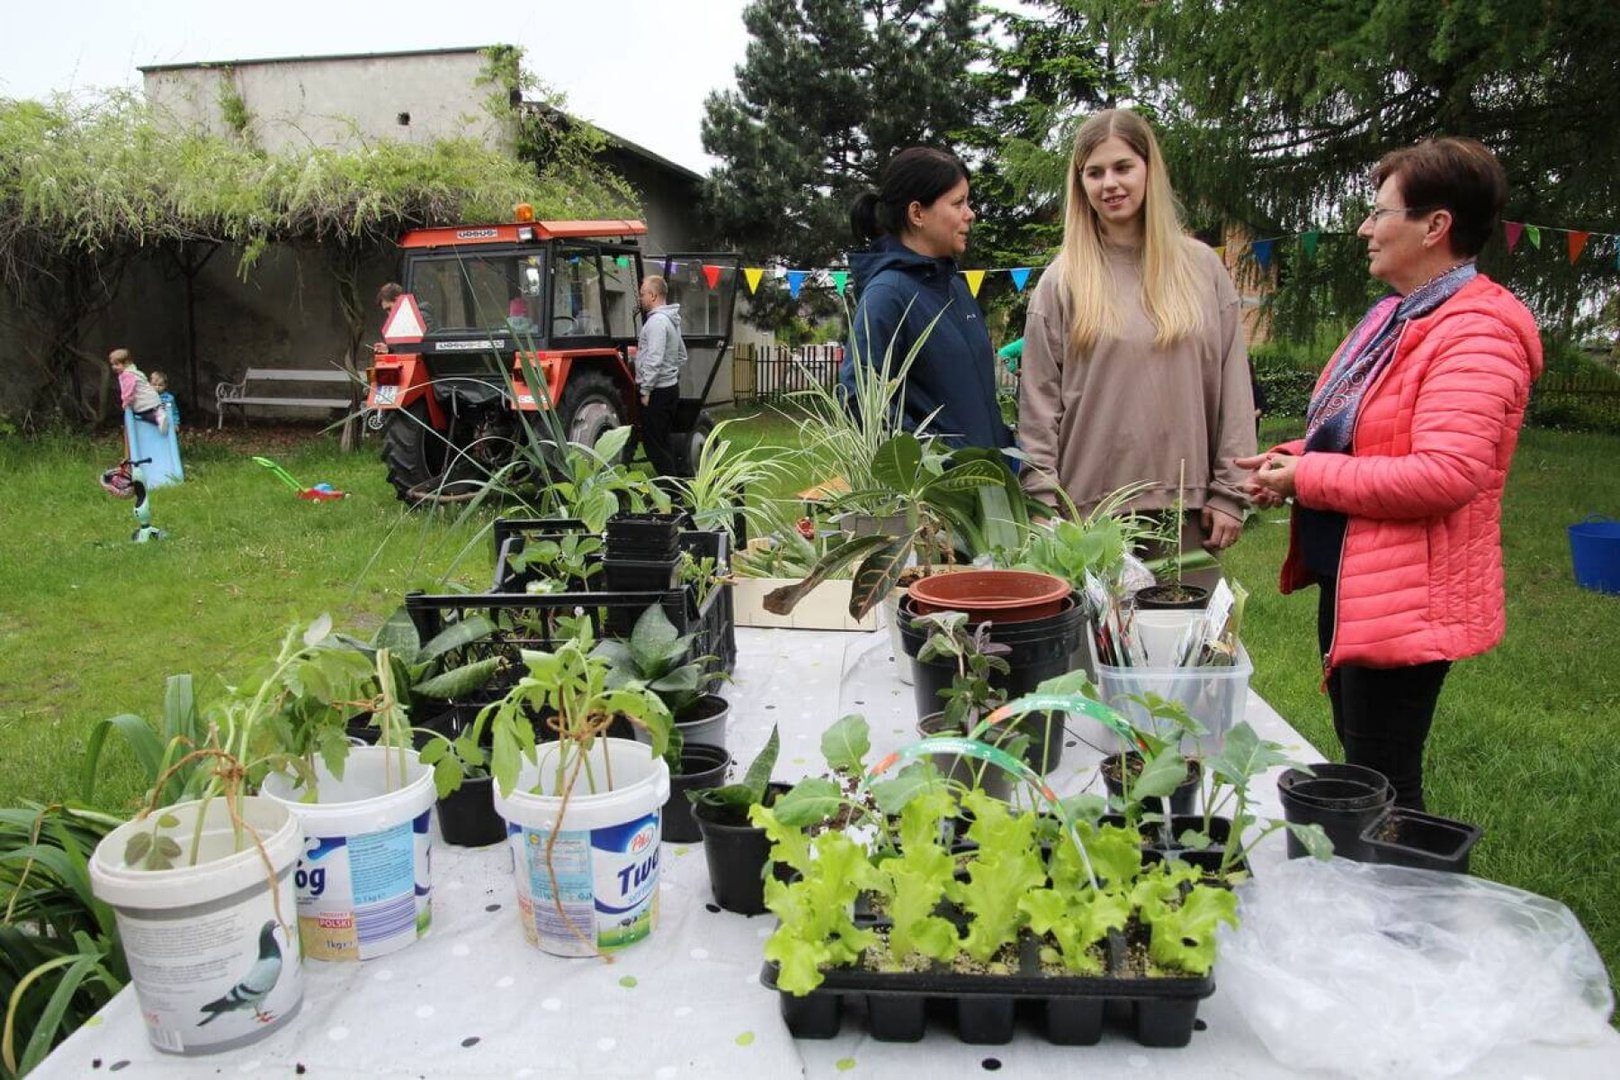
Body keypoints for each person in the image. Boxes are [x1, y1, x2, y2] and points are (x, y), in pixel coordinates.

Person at [1239, 137, 1542, 810]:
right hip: (1361, 579)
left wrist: (1305, 477)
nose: (1364, 229)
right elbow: (1366, 431)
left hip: (1410, 591)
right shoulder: (1400, 316)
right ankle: (1385, 902)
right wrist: (1290, 458)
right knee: (1366, 765)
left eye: (1380, 213)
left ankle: (1411, 911)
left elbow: (1443, 474)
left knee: (1386, 780)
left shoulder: (1477, 332)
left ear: (1435, 227)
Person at [1017, 109, 1255, 567]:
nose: (1110, 183)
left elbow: (1234, 390)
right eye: (1095, 172)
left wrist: (1230, 492)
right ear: (1080, 183)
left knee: (1189, 640)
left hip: (1186, 512)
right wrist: (1042, 500)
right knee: (1094, 641)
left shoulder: (1202, 270)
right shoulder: (1061, 281)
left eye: (1123, 167)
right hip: (1087, 519)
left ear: (1149, 169)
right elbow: (1038, 405)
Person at [842, 147, 1012, 452]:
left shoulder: (954, 288)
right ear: (917, 213)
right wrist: (938, 462)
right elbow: (859, 399)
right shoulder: (887, 295)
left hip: (985, 489)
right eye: (958, 203)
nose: (970, 214)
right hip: (937, 495)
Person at [635, 274, 687, 477]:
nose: (640, 298)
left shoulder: (656, 322)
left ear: (653, 295)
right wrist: (671, 373)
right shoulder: (671, 320)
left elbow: (654, 358)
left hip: (657, 391)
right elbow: (681, 354)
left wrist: (646, 389)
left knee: (654, 446)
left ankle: (672, 496)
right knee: (664, 441)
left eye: (642, 294)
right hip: (670, 388)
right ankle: (677, 488)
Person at [109, 349, 166, 431]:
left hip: (145, 401)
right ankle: (159, 411)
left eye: (117, 364)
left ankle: (157, 418)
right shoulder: (135, 372)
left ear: (126, 363)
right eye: (112, 364)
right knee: (149, 410)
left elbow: (128, 389)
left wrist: (126, 402)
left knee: (141, 414)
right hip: (153, 398)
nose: (114, 367)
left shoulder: (126, 375)